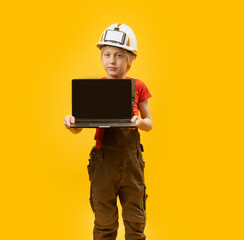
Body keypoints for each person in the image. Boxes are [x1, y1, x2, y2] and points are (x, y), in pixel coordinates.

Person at [64, 23, 152, 240]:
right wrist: (71, 122)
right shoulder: (95, 89)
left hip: (132, 161)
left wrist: (139, 122)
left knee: (135, 216)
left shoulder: (138, 86)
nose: (112, 60)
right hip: (104, 161)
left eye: (119, 55)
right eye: (107, 54)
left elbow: (149, 123)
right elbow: (81, 127)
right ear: (101, 57)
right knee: (104, 217)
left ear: (131, 58)